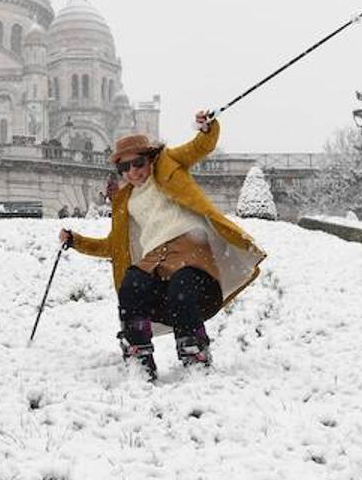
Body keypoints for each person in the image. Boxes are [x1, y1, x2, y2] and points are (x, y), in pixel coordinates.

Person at [59, 112, 267, 381]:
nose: (132, 172)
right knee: (132, 283)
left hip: (190, 247)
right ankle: (138, 352)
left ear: (150, 157)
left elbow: (200, 147)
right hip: (155, 259)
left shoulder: (168, 164)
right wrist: (76, 241)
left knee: (183, 283)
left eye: (138, 162)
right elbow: (115, 246)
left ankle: (194, 350)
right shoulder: (125, 201)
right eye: (124, 168)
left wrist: (207, 128)